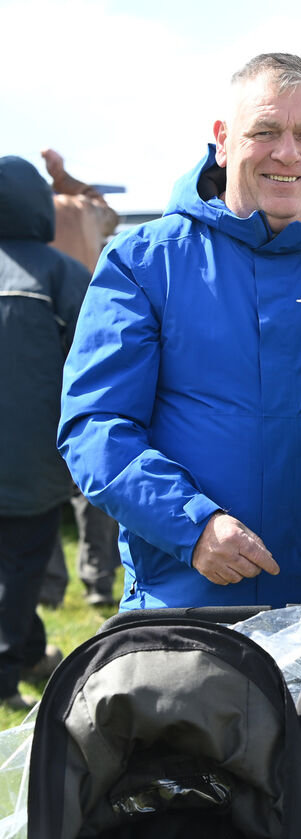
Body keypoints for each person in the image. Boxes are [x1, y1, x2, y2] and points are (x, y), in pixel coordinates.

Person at [58, 53, 301, 610]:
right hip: (187, 601)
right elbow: (96, 424)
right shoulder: (143, 261)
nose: (288, 153)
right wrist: (192, 525)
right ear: (222, 140)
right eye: (265, 132)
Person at [0, 155, 89, 709]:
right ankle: (7, 673)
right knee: (21, 567)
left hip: (25, 461)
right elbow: (93, 366)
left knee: (15, 571)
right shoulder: (62, 276)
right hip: (32, 461)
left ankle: (29, 650)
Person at [38, 148, 121, 609]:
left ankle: (46, 589)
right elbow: (109, 213)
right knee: (93, 461)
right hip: (87, 341)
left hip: (30, 352)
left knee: (39, 474)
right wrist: (66, 178)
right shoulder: (80, 208)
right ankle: (97, 582)